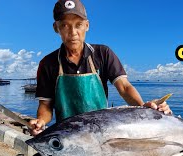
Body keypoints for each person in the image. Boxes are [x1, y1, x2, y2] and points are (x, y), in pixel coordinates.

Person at [28, 0, 172, 136]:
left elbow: (124, 87)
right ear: (56, 28)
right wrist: (41, 120)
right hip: (67, 135)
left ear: (87, 25)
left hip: (102, 132)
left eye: (78, 24)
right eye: (65, 25)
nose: (73, 32)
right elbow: (45, 105)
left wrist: (143, 108)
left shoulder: (103, 53)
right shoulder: (47, 63)